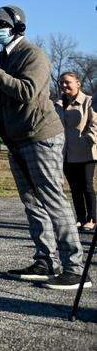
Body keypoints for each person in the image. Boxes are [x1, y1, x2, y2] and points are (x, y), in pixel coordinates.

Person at [0, 5, 90, 291]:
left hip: (41, 135)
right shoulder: (1, 58)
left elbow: (25, 91)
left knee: (53, 200)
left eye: (1, 24)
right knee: (32, 202)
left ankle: (74, 268)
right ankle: (46, 261)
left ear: (18, 27)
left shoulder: (33, 55)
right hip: (17, 138)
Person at [56, 71, 97, 232]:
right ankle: (80, 218)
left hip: (85, 151)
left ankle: (93, 219)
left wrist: (87, 140)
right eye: (61, 82)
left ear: (78, 83)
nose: (64, 85)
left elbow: (94, 125)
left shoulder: (89, 101)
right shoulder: (58, 104)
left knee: (87, 186)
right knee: (74, 188)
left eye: (67, 82)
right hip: (66, 152)